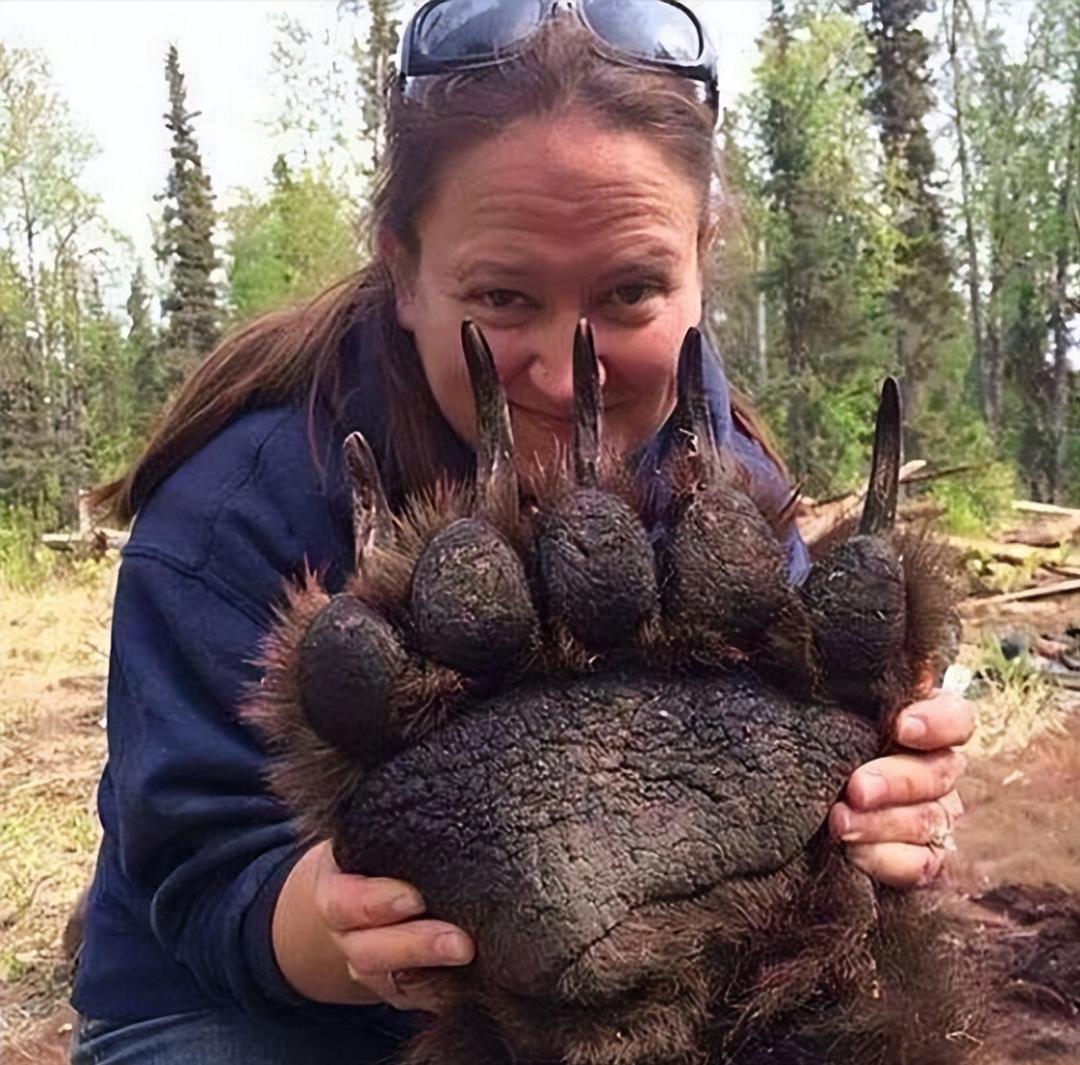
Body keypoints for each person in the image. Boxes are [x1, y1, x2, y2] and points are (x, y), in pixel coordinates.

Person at [71, 2, 974, 1062]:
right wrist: (360, 912)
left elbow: (807, 801)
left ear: (701, 254)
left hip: (597, 982)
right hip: (252, 1010)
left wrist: (877, 810)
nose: (563, 369)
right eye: (502, 297)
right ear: (403, 270)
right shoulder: (236, 512)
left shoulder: (721, 492)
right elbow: (206, 877)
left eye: (633, 291)